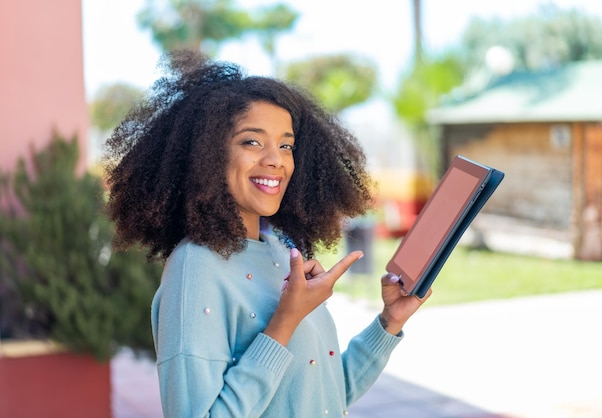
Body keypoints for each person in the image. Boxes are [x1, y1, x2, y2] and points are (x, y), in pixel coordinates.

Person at [103, 49, 431, 417]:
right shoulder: (193, 269)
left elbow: (325, 394)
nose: (275, 159)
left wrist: (390, 321)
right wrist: (285, 321)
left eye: (286, 145)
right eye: (252, 141)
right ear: (207, 155)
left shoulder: (279, 250)